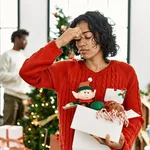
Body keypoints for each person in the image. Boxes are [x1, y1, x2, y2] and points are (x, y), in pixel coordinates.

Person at [19, 11, 143, 150]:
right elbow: (27, 72)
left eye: (87, 36)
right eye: (77, 39)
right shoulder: (65, 70)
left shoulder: (126, 72)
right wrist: (60, 41)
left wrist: (123, 141)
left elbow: (136, 117)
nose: (81, 44)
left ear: (102, 35)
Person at [0, 29, 30, 125]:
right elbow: (1, 75)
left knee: (23, 127)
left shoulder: (23, 57)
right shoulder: (6, 55)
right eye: (24, 39)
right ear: (17, 39)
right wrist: (18, 75)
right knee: (8, 126)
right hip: (11, 95)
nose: (26, 42)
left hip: (24, 96)